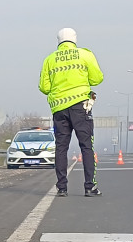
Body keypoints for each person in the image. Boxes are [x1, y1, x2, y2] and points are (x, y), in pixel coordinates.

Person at [39, 27, 104, 196]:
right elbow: (97, 78)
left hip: (59, 109)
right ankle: (90, 187)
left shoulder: (49, 60)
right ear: (75, 39)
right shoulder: (85, 54)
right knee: (86, 146)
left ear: (58, 41)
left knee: (61, 148)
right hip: (81, 107)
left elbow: (44, 87)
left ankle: (62, 188)